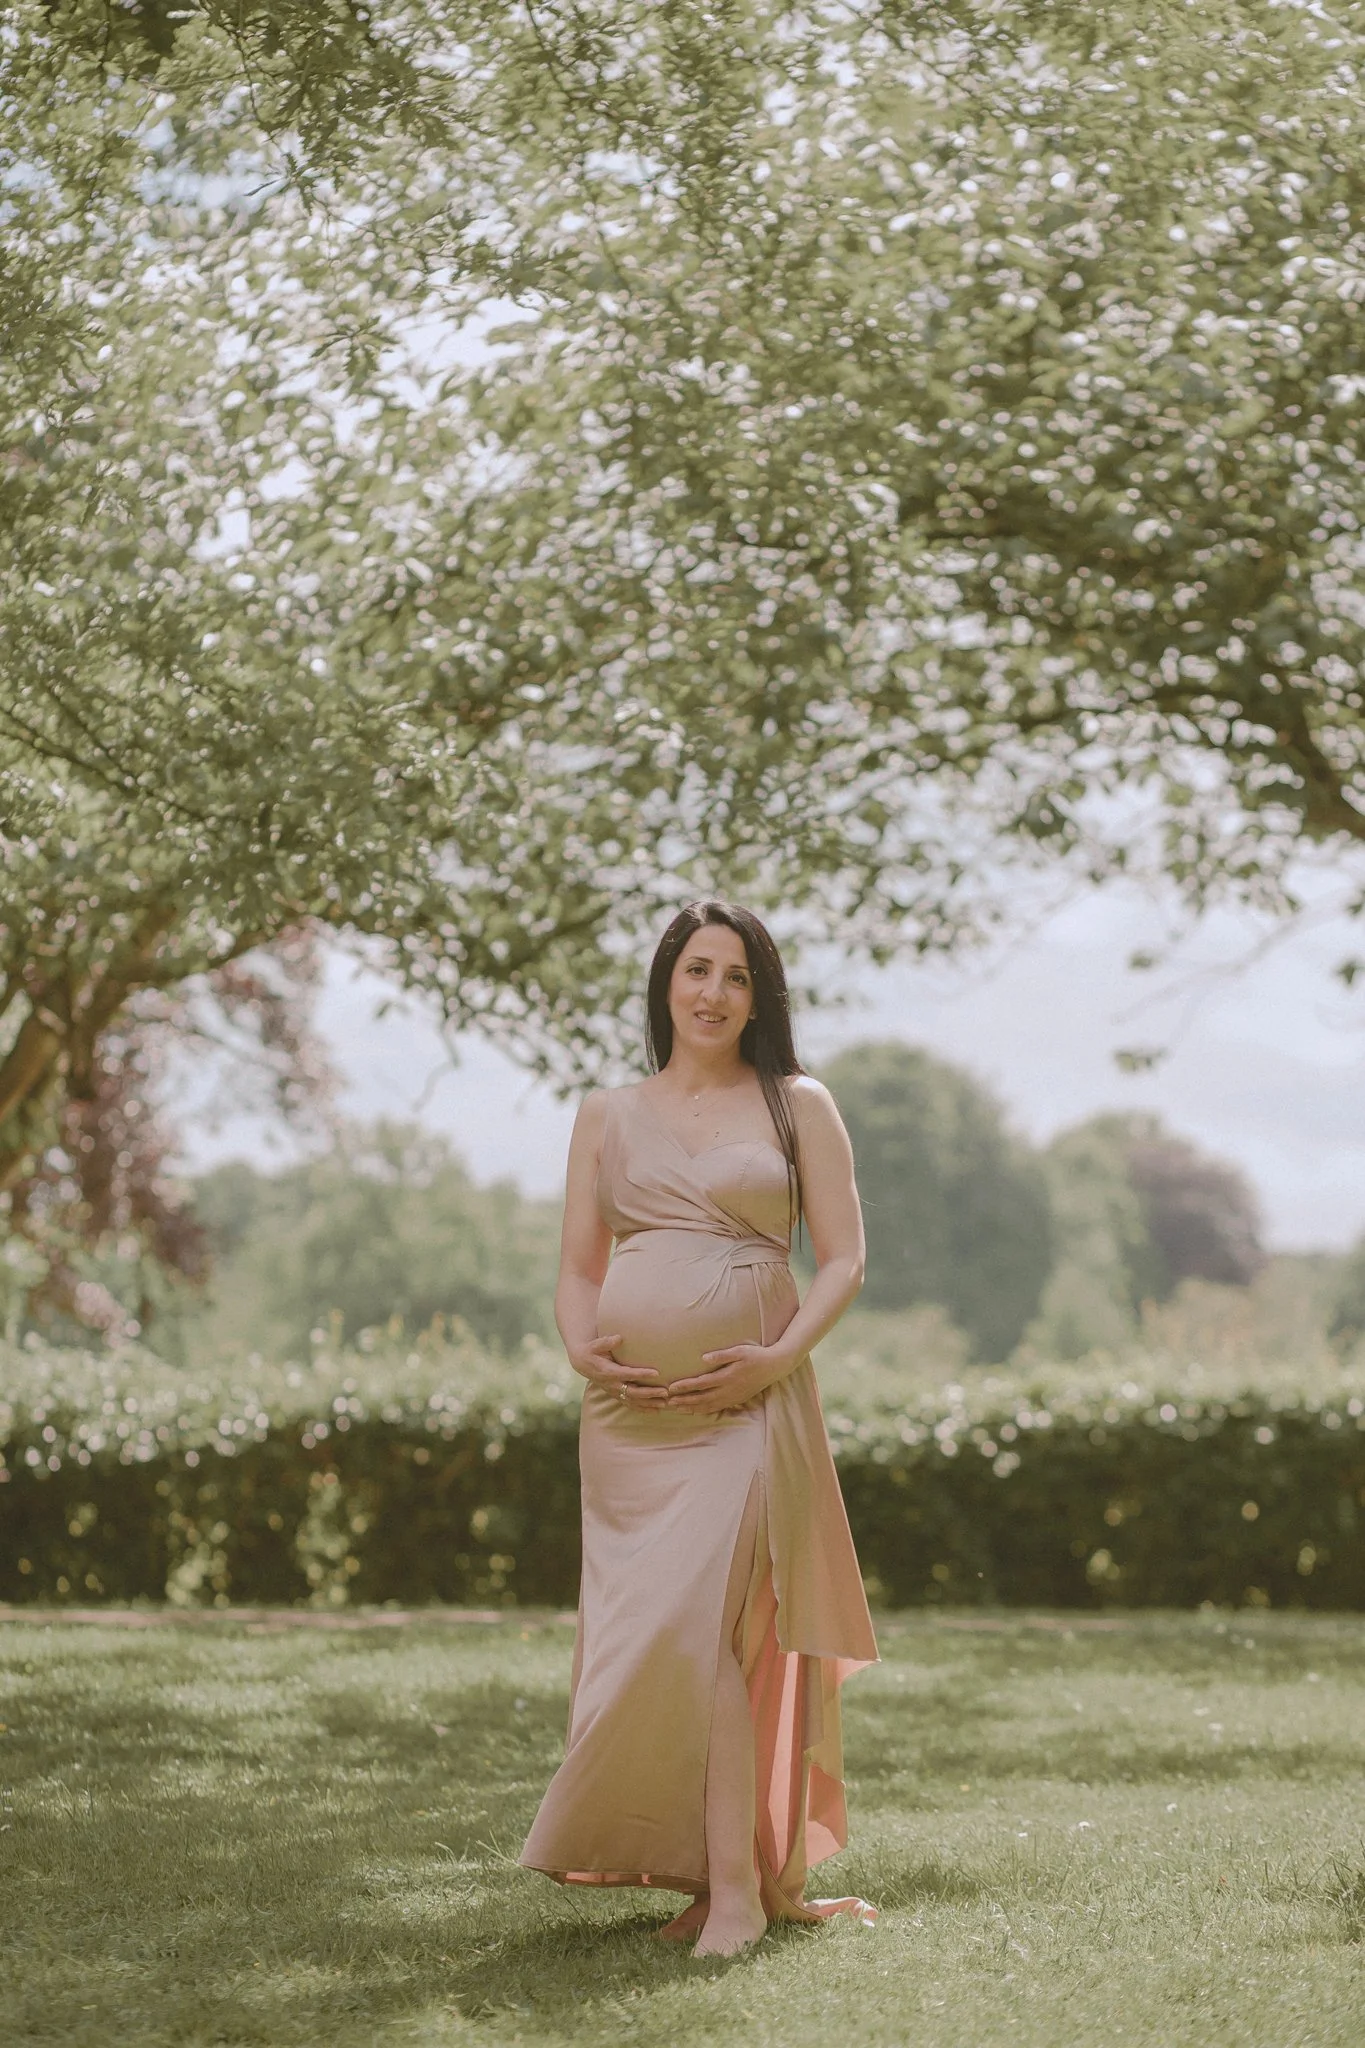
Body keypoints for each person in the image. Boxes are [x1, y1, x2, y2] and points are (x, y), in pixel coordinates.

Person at [518, 899, 878, 1957]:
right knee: (660, 1646)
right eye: (696, 969)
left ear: (757, 995)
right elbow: (580, 1265)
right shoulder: (605, 1112)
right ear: (665, 983)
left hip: (752, 1408)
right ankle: (714, 1874)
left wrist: (776, 1357)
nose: (713, 992)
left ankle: (733, 1892)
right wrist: (585, 1346)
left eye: (734, 975)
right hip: (626, 1422)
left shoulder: (795, 1104)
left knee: (707, 1634)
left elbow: (846, 1260)